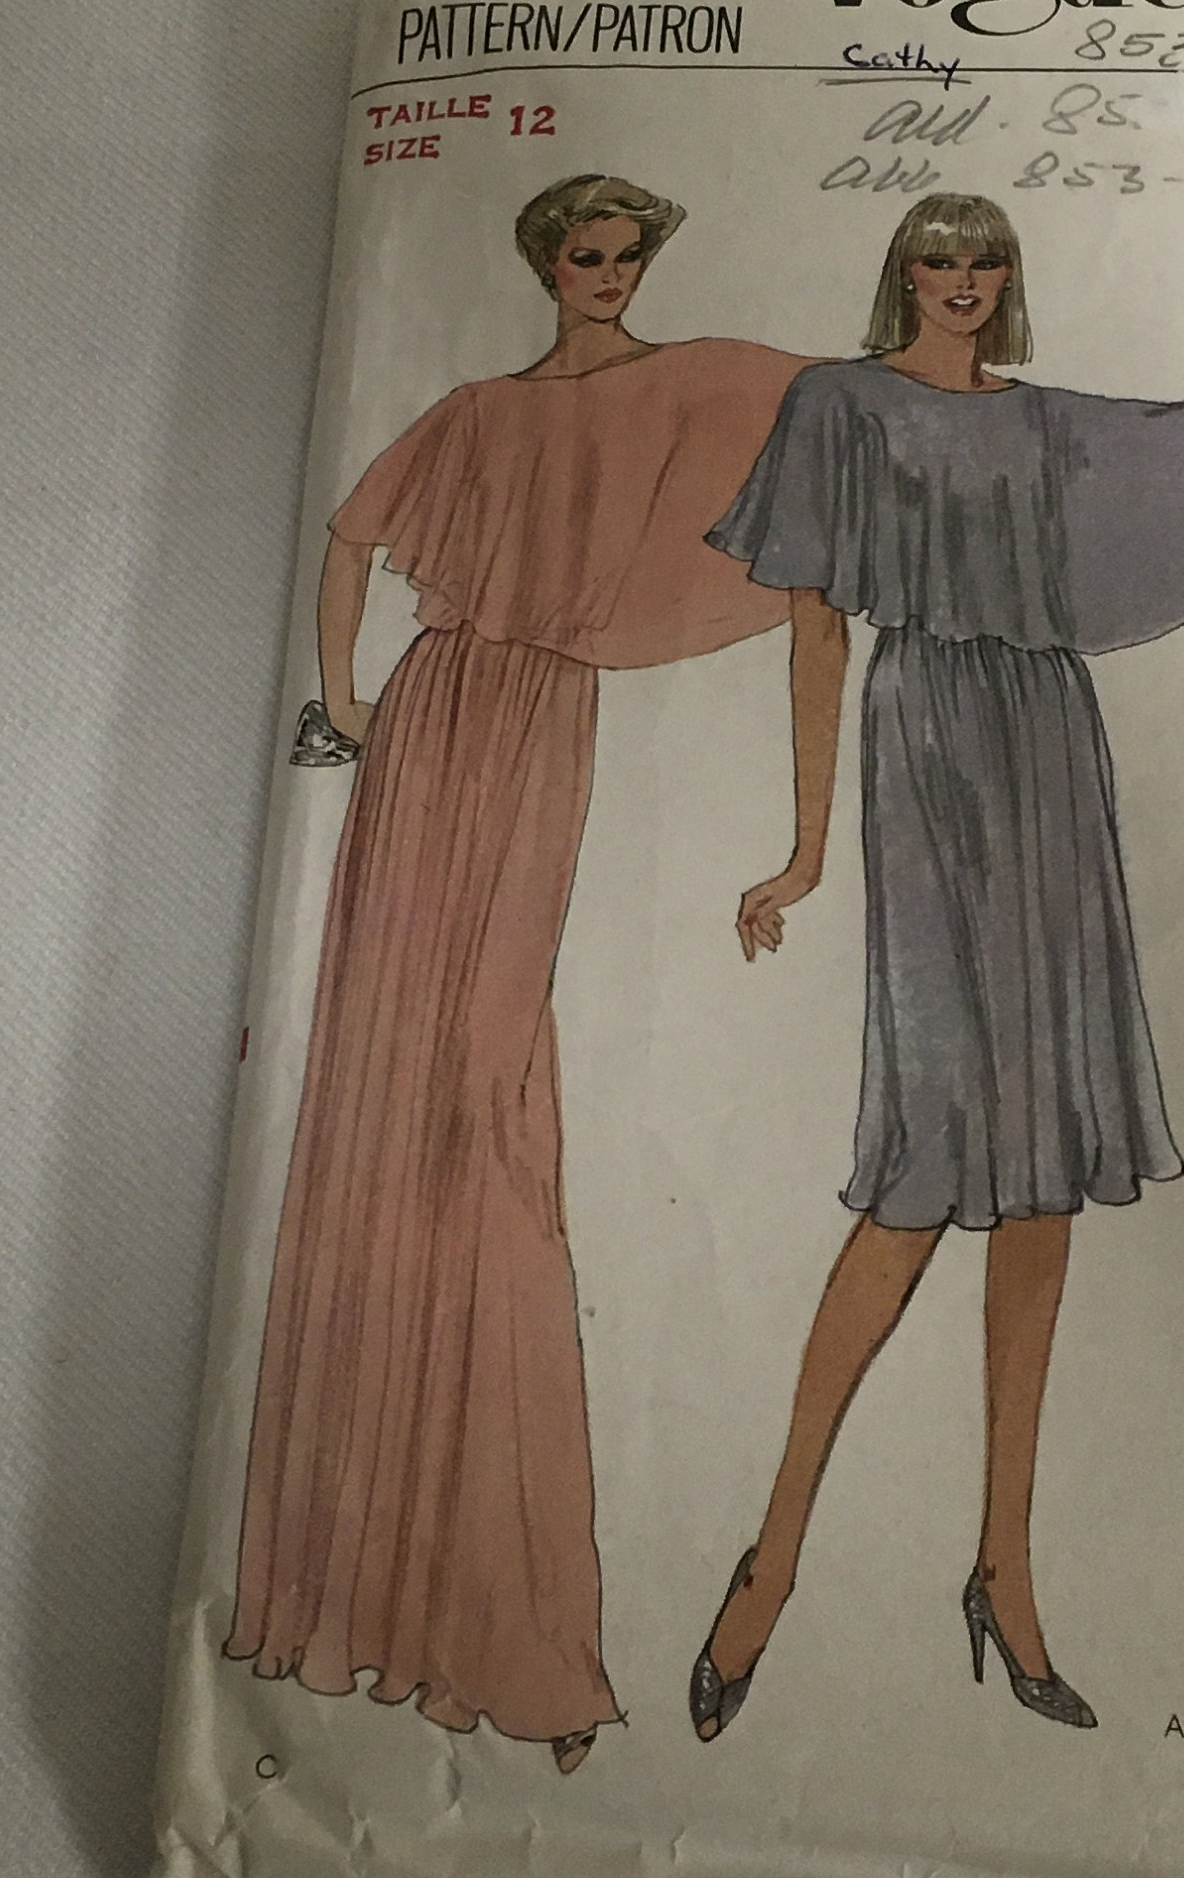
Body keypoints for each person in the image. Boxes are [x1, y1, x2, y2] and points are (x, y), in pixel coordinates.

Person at [690, 194, 1184, 1741]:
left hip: (1049, 748)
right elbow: (815, 633)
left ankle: (1006, 1571)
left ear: (1006, 280)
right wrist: (805, 848)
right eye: (938, 260)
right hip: (926, 753)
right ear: (900, 272)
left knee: (1041, 1174)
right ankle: (771, 1559)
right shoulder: (837, 405)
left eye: (985, 264)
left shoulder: (1045, 425)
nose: (962, 284)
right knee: (920, 1172)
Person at [225, 176, 810, 1772]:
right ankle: (367, 1595)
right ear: (544, 264)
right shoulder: (480, 409)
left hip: (541, 715)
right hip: (434, 718)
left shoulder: (676, 387)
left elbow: (812, 430)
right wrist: (346, 703)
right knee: (392, 1076)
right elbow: (351, 537)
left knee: (485, 1091)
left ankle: (493, 1606)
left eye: (625, 256)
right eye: (582, 255)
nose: (605, 276)